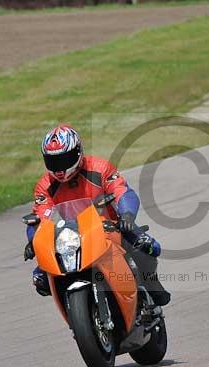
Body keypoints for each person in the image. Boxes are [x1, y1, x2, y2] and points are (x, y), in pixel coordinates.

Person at [23, 125, 171, 306]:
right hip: (69, 240)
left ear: (78, 152)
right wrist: (34, 240)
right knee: (41, 278)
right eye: (54, 161)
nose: (60, 167)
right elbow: (40, 216)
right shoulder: (45, 185)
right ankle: (75, 313)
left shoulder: (100, 169)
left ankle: (151, 286)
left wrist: (126, 215)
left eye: (65, 159)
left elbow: (122, 191)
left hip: (109, 229)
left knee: (147, 247)